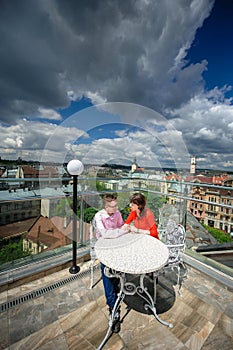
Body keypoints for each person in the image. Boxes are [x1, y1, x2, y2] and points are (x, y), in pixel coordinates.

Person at [94, 193, 129, 333]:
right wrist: (119, 231)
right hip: (104, 249)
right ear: (105, 206)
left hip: (116, 247)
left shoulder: (118, 213)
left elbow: (122, 228)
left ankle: (118, 290)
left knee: (118, 275)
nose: (115, 209)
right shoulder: (99, 216)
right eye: (113, 206)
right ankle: (113, 310)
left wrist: (119, 231)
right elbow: (105, 234)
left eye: (116, 205)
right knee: (107, 278)